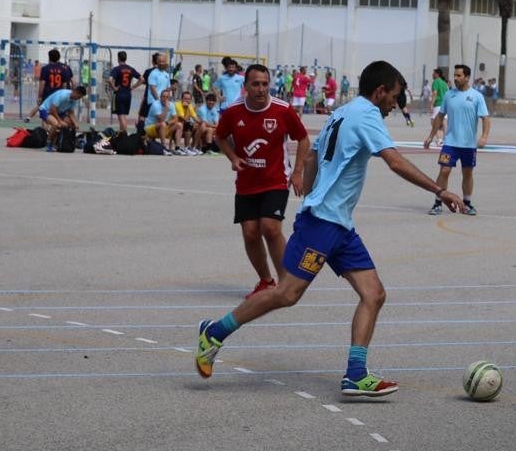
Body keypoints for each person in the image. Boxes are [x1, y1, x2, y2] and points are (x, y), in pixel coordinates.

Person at [194, 60, 466, 397]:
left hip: (338, 225)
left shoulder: (342, 111)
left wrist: (311, 193)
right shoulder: (366, 115)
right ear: (379, 91)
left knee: (374, 294)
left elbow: (310, 159)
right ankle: (215, 332)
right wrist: (440, 190)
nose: (395, 105)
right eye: (394, 97)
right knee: (287, 293)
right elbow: (394, 162)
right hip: (323, 224)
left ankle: (355, 374)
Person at [215, 65, 311, 298]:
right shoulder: (233, 112)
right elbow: (219, 136)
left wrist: (297, 172)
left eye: (265, 84)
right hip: (247, 182)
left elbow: (303, 139)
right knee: (250, 232)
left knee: (270, 227)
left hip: (276, 180)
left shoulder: (283, 110)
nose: (261, 89)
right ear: (245, 86)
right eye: (256, 84)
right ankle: (266, 281)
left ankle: (287, 281)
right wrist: (234, 157)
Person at [424, 64, 490, 216]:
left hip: (468, 145)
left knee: (467, 173)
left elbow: (485, 119)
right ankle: (437, 202)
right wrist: (431, 135)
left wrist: (484, 137)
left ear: (467, 77)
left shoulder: (476, 96)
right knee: (444, 170)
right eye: (455, 75)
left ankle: (467, 203)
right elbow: (440, 116)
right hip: (450, 143)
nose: (455, 78)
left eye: (459, 75)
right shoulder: (449, 95)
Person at [40, 86, 86, 153]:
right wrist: (60, 121)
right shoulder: (63, 95)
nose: (78, 99)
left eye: (80, 98)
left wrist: (76, 124)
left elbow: (71, 113)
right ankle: (48, 143)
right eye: (79, 97)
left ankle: (56, 143)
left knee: (70, 123)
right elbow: (52, 109)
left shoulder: (74, 100)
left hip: (59, 112)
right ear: (75, 92)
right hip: (46, 110)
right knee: (56, 124)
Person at [108, 51, 140, 134]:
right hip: (128, 94)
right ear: (126, 58)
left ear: (118, 58)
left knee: (121, 116)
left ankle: (125, 135)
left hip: (120, 94)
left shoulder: (116, 69)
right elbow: (142, 79)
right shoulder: (130, 69)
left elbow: (109, 80)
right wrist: (133, 87)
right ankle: (122, 134)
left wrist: (114, 88)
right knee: (123, 116)